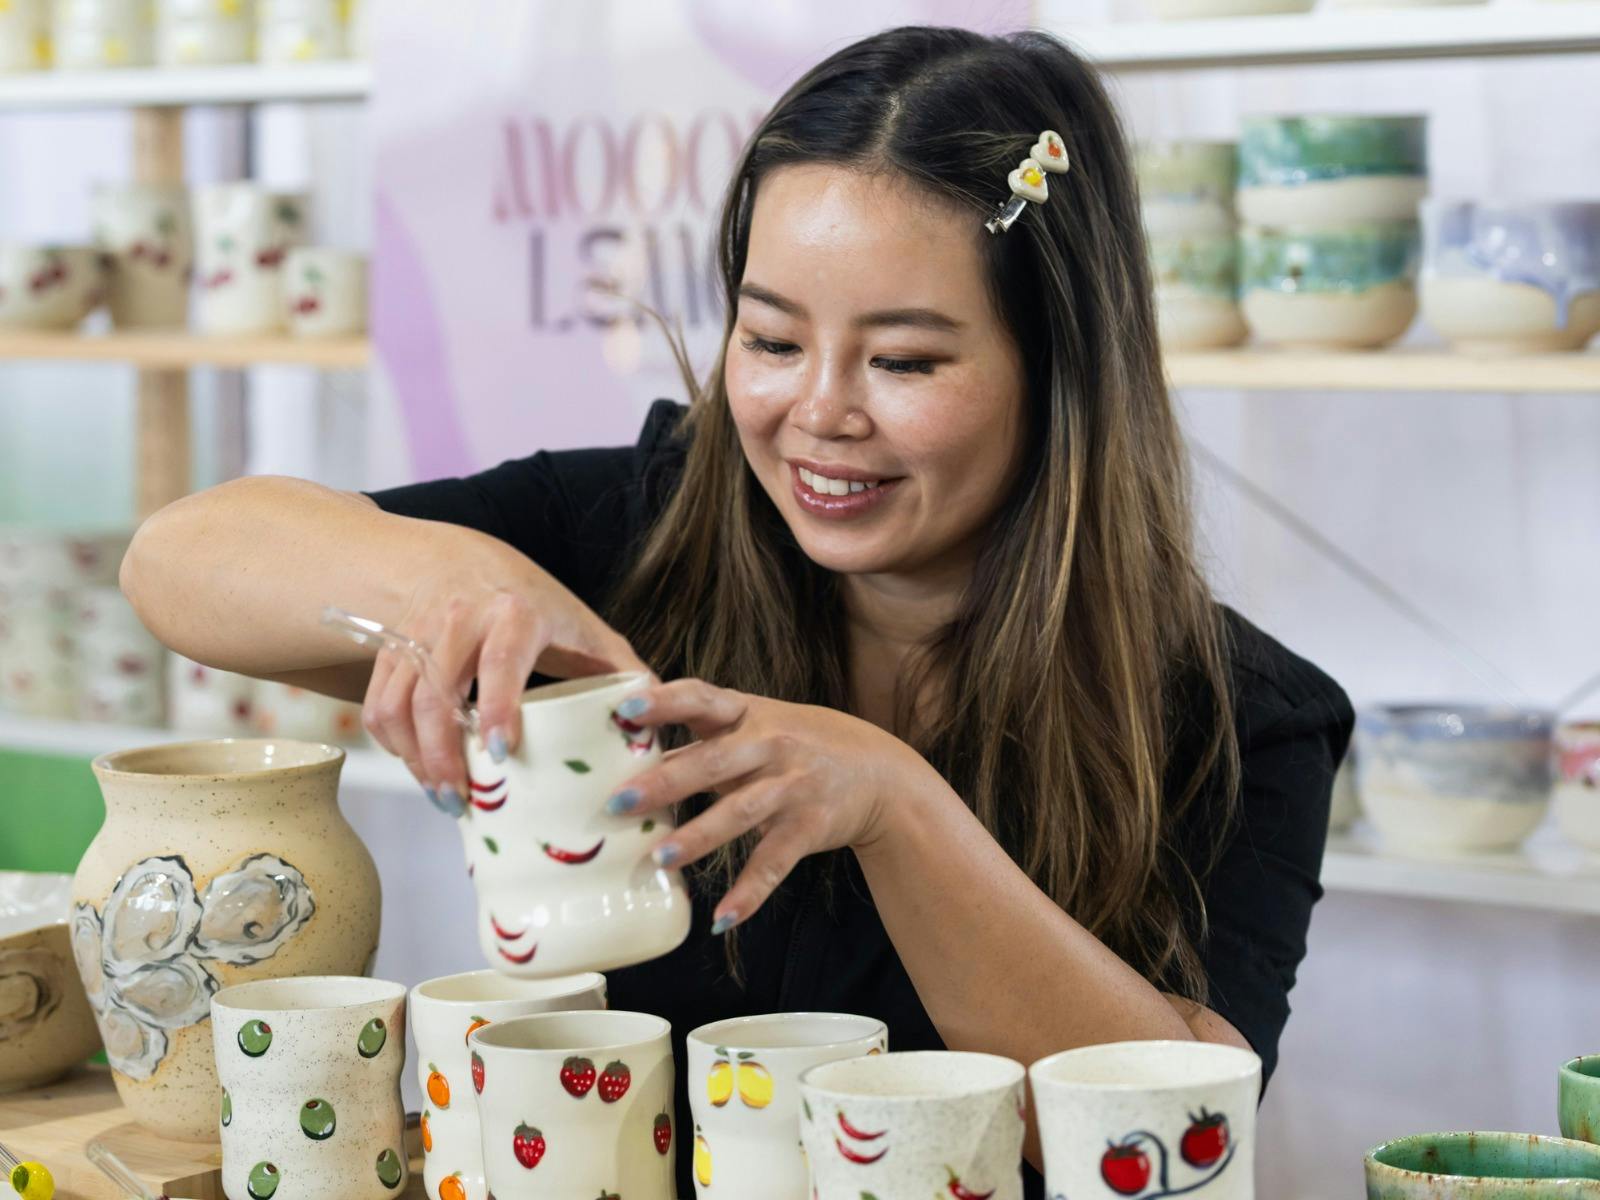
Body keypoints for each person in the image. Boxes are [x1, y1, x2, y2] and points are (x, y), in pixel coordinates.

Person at [121, 25, 1352, 1196]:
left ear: (1060, 371)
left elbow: (1175, 1127)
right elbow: (182, 559)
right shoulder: (647, 530)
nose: (818, 412)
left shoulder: (1237, 714)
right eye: (770, 340)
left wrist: (895, 809)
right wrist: (458, 586)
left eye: (904, 360)